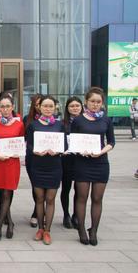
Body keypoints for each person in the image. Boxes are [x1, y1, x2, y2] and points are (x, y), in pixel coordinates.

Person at [72, 87, 115, 246]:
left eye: (98, 102)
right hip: (82, 162)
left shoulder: (106, 120)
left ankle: (94, 230)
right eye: (92, 101)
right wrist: (79, 150)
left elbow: (111, 142)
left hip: (100, 162)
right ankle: (82, 229)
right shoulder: (78, 120)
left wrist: (101, 152)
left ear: (102, 103)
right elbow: (73, 141)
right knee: (82, 197)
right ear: (86, 102)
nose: (95, 104)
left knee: (97, 198)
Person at [25, 95, 65, 245]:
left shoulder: (60, 125)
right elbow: (29, 145)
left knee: (50, 199)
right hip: (38, 165)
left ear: (55, 108)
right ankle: (40, 228)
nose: (48, 109)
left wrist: (59, 151)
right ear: (39, 107)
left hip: (54, 166)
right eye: (45, 106)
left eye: (51, 106)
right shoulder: (33, 125)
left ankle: (47, 230)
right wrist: (35, 151)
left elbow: (65, 144)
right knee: (40, 199)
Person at [0, 95, 24, 241]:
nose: (5, 109)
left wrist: (19, 151)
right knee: (1, 191)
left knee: (7, 193)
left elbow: (21, 141)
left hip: (12, 162)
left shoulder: (19, 124)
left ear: (12, 107)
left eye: (7, 106)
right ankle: (9, 223)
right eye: (2, 106)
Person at [61, 96, 83, 229]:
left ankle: (76, 215)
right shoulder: (62, 124)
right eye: (72, 106)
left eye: (77, 105)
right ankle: (66, 214)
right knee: (66, 188)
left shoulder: (87, 122)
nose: (75, 108)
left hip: (82, 160)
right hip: (66, 160)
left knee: (79, 189)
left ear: (81, 107)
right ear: (67, 109)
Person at [24, 94, 42, 229]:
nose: (40, 108)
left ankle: (40, 212)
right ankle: (37, 212)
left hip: (50, 158)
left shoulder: (55, 121)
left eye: (42, 105)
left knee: (47, 188)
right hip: (32, 157)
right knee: (36, 186)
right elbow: (23, 139)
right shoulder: (28, 119)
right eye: (37, 105)